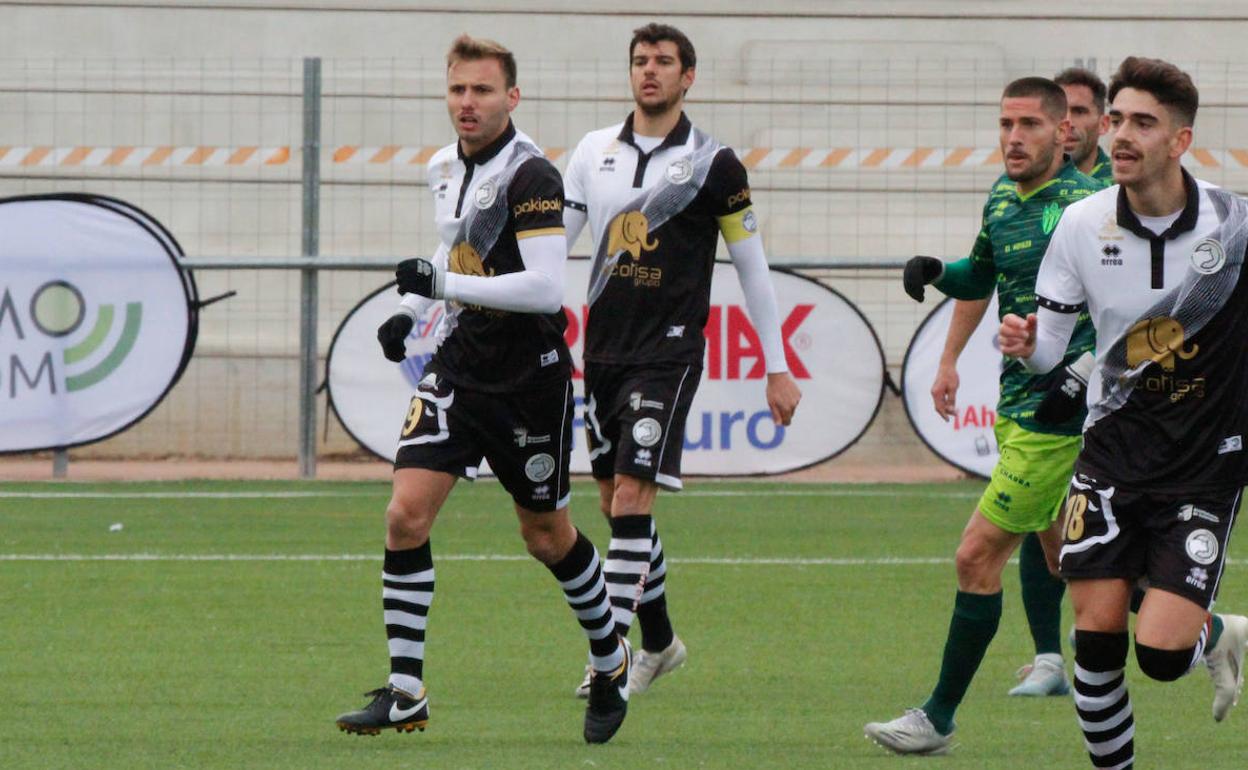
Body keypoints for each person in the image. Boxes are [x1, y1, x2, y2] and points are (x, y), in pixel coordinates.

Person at [334, 34, 631, 745]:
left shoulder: (533, 176)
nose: (468, 103)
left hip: (530, 381)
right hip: (459, 368)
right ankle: (406, 689)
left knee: (546, 536)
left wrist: (438, 285)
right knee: (405, 516)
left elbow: (542, 288)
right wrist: (411, 312)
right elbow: (455, 238)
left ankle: (608, 653)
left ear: (512, 98)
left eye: (483, 91)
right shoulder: (445, 165)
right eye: (458, 90)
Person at [1000, 56, 1248, 768]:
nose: (1121, 136)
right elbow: (1049, 351)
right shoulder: (1080, 224)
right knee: (1098, 640)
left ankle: (1212, 635)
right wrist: (1023, 346)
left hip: (1205, 469)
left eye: (1144, 123)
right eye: (1115, 121)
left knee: (1162, 656)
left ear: (1180, 140)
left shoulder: (1235, 229)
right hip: (1110, 455)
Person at [561, 22, 801, 698]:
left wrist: (775, 367)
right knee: (614, 505)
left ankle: (609, 657)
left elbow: (753, 270)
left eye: (664, 62)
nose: (650, 72)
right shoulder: (592, 151)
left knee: (634, 496)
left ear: (687, 76)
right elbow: (555, 248)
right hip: (601, 350)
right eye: (641, 61)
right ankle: (661, 643)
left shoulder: (713, 164)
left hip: (667, 355)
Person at [868, 77, 1101, 755]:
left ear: (1064, 134)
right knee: (1078, 563)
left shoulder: (1090, 205)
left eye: (1029, 124)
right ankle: (1210, 633)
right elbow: (986, 271)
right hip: (1017, 404)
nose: (1013, 137)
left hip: (1060, 418)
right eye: (1005, 124)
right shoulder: (1002, 196)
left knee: (976, 556)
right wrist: (939, 268)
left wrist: (1081, 376)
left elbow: (1128, 306)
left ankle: (936, 718)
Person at [1008, 66, 1115, 698]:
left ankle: (1196, 630)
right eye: (1061, 111)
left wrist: (1083, 367)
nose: (1066, 124)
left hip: (1105, 389)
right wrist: (948, 358)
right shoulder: (1017, 191)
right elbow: (994, 272)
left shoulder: (1113, 192)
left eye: (1078, 112)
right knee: (1039, 514)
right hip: (1036, 377)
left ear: (1100, 121)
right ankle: (1050, 655)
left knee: (1087, 517)